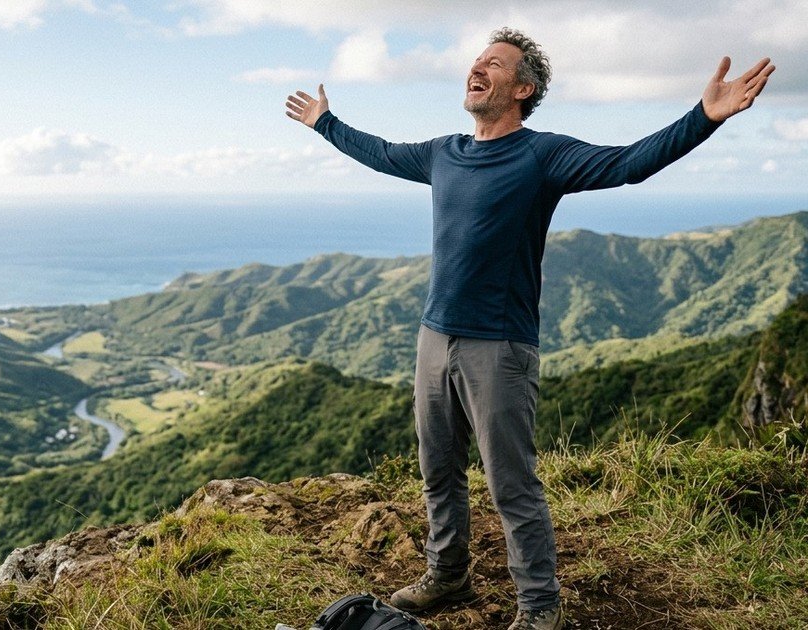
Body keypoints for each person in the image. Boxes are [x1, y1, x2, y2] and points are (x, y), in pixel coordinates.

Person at [284, 27, 774, 630]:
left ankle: (540, 606)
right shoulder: (443, 153)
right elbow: (381, 152)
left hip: (500, 346)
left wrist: (704, 118)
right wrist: (326, 123)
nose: (477, 68)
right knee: (438, 469)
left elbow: (627, 164)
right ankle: (447, 574)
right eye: (476, 60)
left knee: (510, 484)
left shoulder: (541, 155)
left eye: (494, 63)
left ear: (522, 88)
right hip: (434, 337)